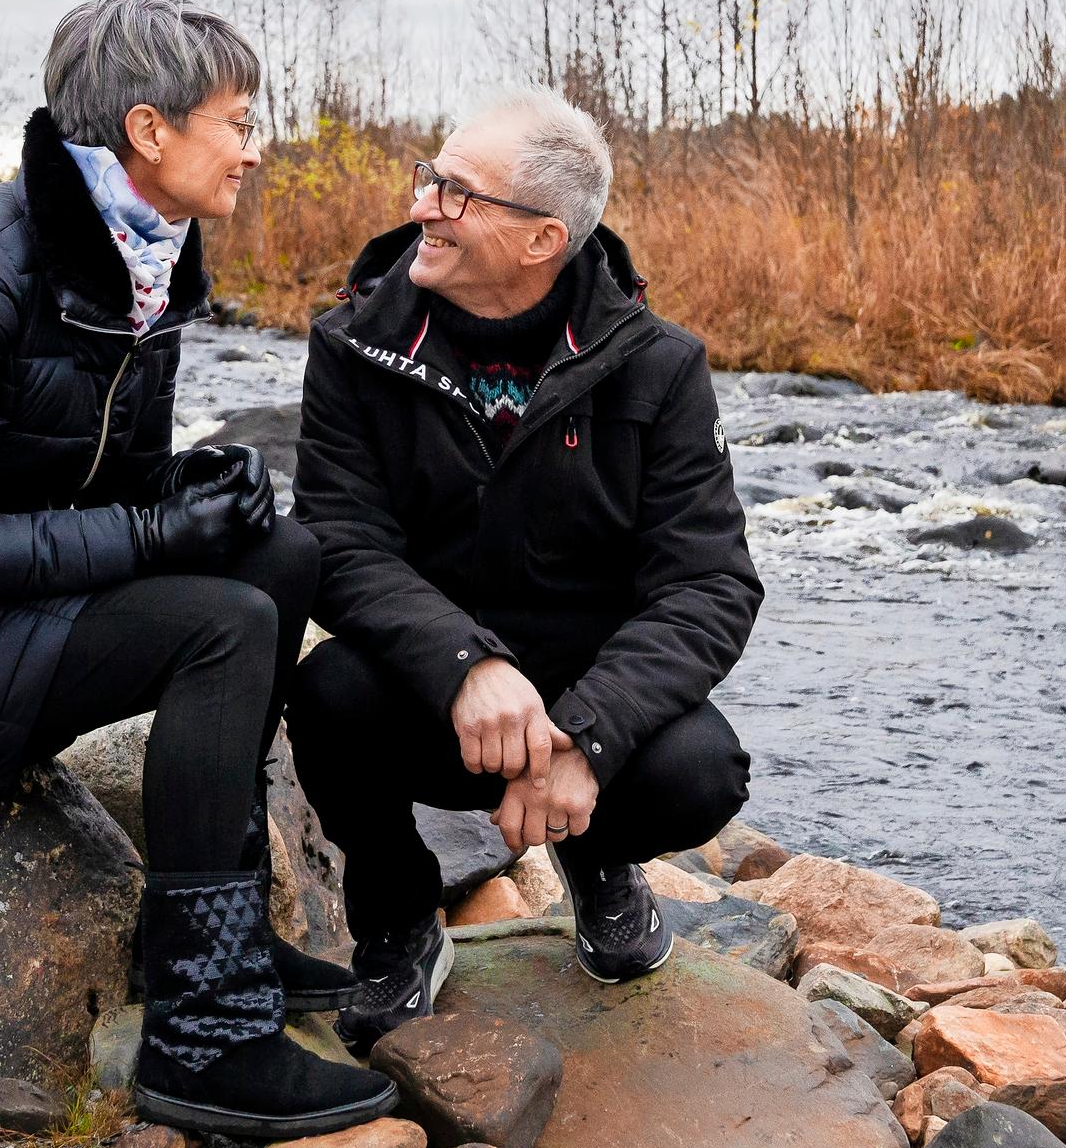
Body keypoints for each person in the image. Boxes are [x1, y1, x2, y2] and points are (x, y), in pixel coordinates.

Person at [0, 0, 396, 1140]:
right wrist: (156, 537)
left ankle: (218, 934)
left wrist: (191, 492)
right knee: (219, 625)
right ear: (151, 130)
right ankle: (203, 1037)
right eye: (239, 120)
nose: (257, 150)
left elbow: (93, 492)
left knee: (279, 558)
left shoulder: (139, 263)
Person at [287, 89, 762, 1054]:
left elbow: (709, 584)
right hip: (429, 694)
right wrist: (463, 663)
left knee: (701, 772)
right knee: (326, 694)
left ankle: (599, 864)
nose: (422, 205)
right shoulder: (353, 344)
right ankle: (397, 916)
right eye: (430, 177)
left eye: (457, 194)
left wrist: (589, 736)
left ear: (543, 239)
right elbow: (337, 540)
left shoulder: (660, 367)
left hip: (588, 697)